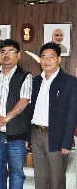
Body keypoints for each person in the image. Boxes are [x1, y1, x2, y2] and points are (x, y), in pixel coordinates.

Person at [0, 39, 32, 189]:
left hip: (16, 136)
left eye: (11, 51)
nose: (6, 55)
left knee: (17, 173)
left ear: (18, 55)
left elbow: (24, 101)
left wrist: (4, 119)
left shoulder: (25, 76)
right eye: (3, 51)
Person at [29, 42, 77, 189]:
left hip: (57, 136)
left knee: (57, 179)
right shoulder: (35, 81)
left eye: (51, 57)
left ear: (59, 59)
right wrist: (27, 137)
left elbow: (72, 114)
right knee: (40, 178)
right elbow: (30, 111)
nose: (47, 60)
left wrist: (67, 141)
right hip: (36, 134)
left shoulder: (70, 82)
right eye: (44, 57)